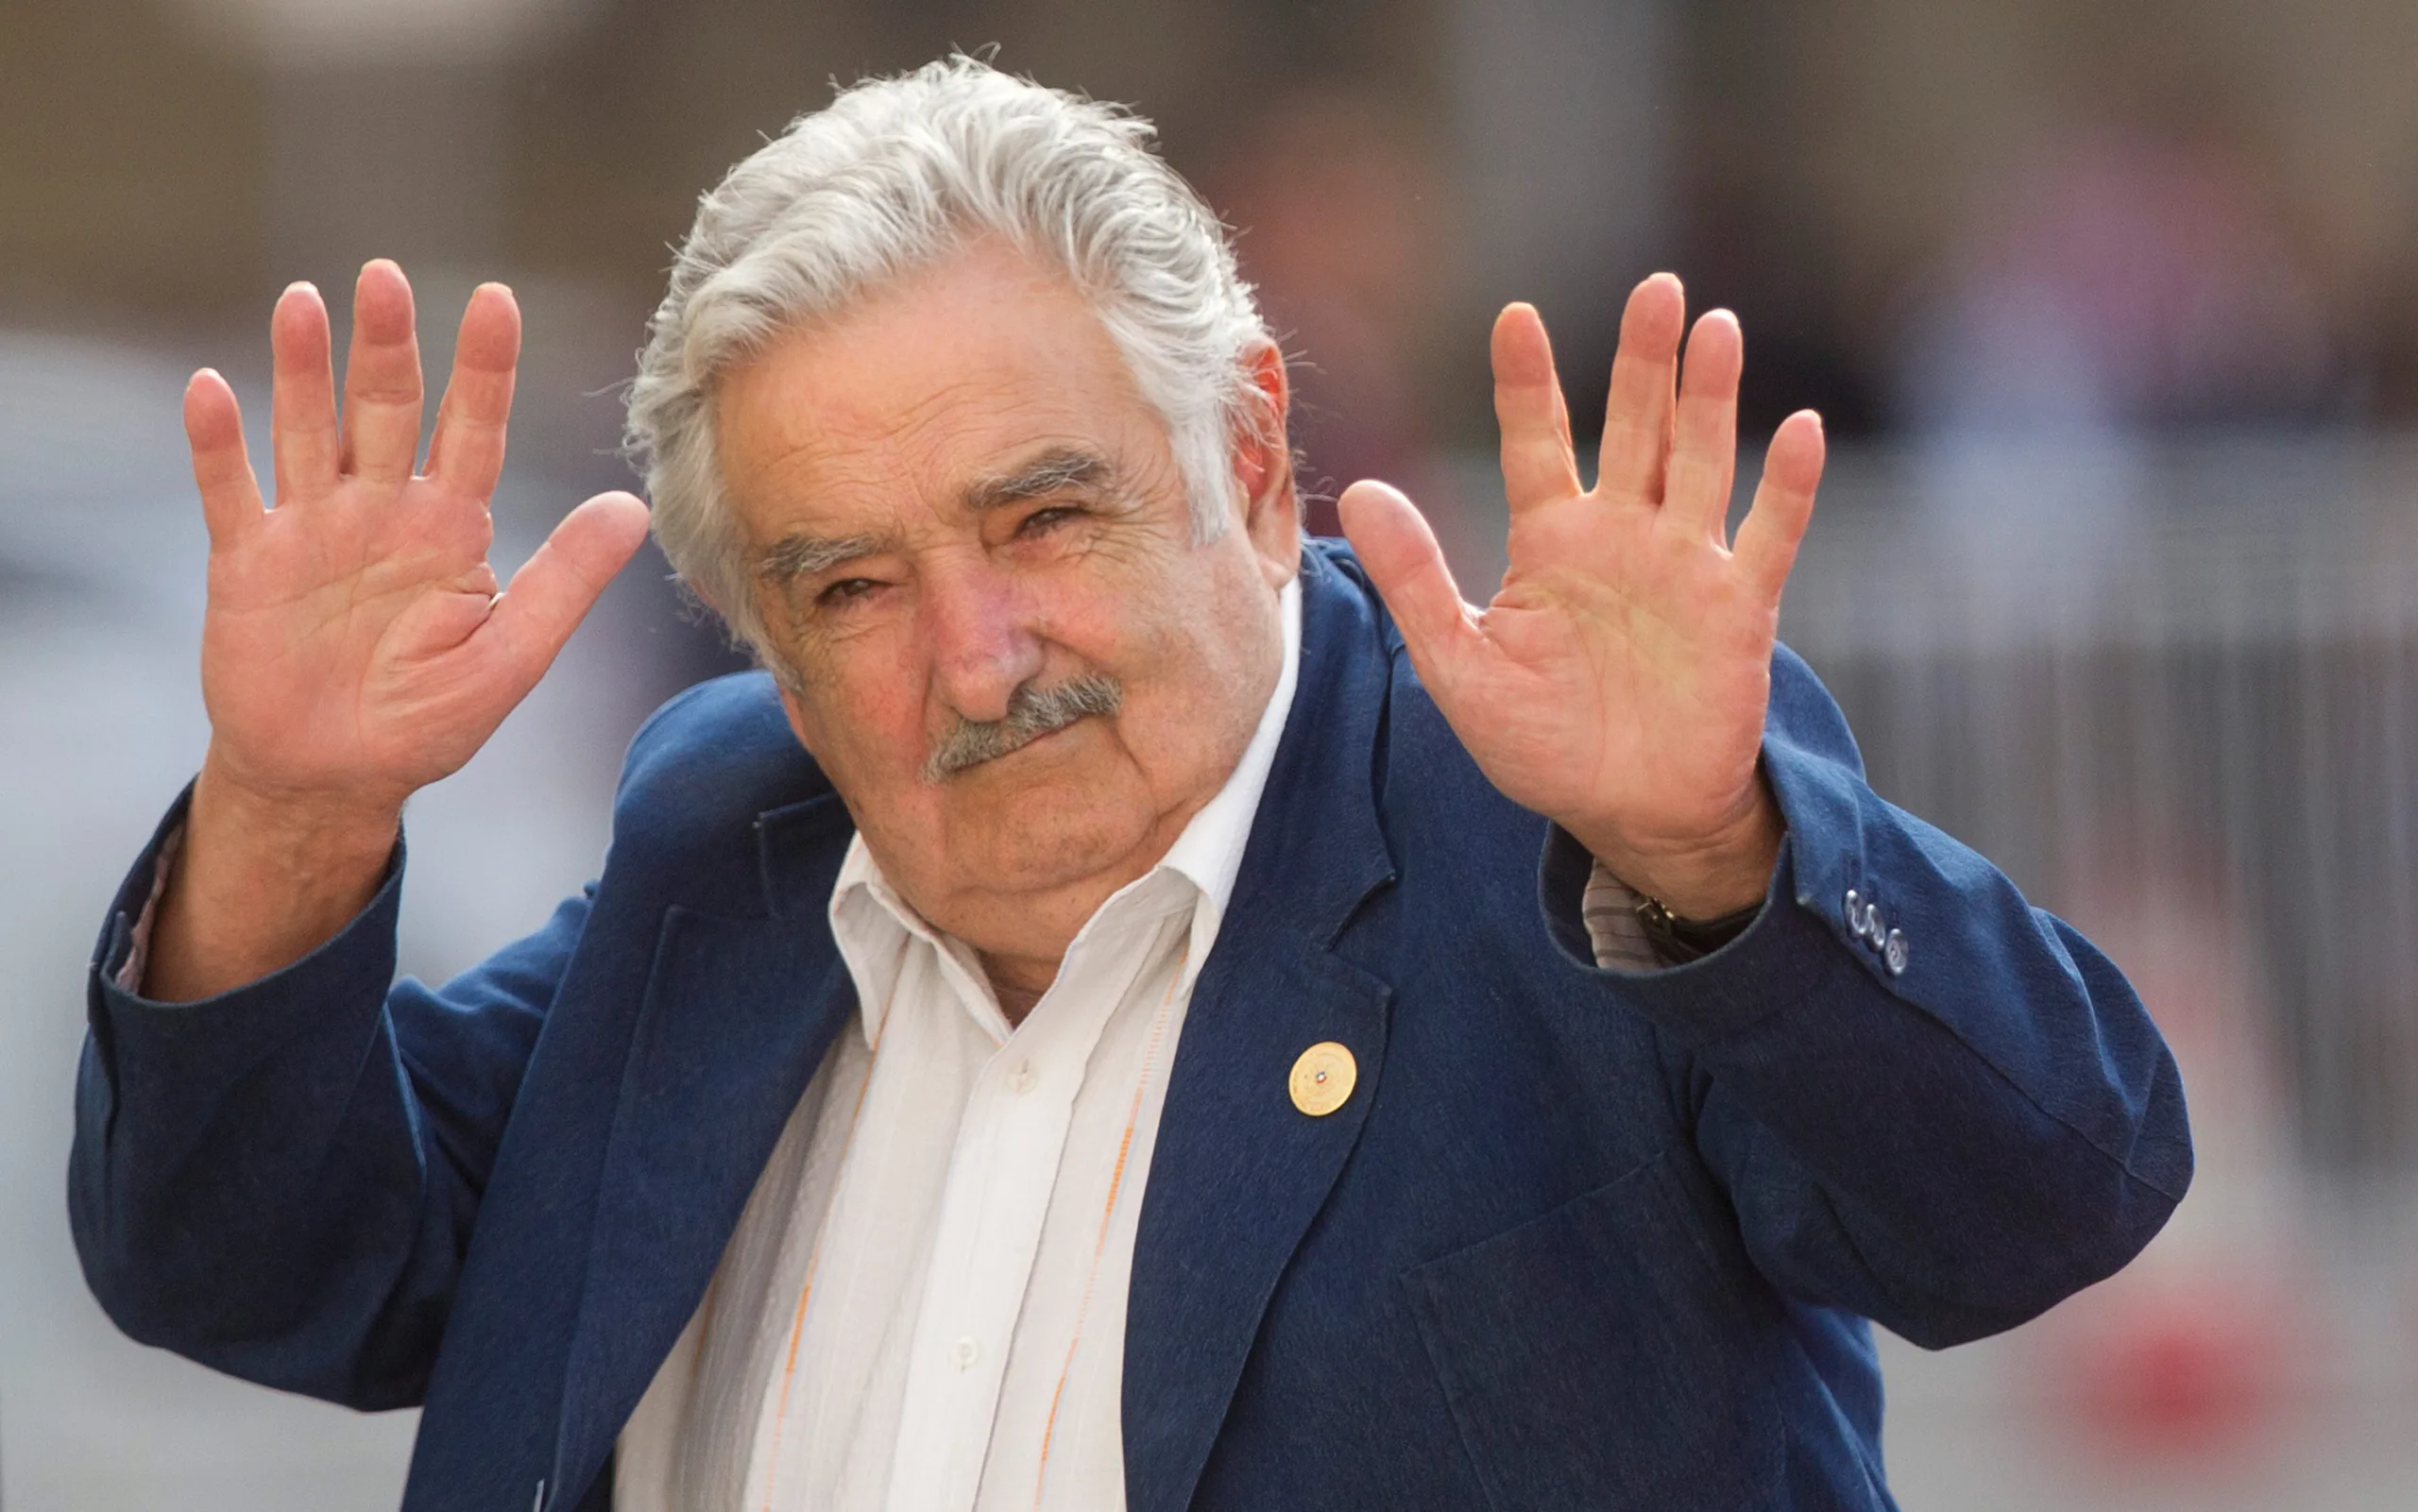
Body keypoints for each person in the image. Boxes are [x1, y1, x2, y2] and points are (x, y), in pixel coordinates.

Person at [68, 57, 2189, 1512]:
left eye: (1046, 518)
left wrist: (1716, 856)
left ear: (1248, 458)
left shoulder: (1543, 798)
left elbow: (2042, 1200)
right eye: (852, 582)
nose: (976, 655)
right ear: (768, 643)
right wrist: (292, 810)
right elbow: (266, 1262)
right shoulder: (727, 833)